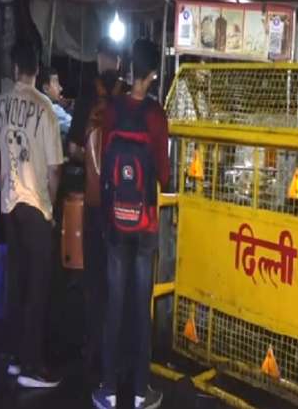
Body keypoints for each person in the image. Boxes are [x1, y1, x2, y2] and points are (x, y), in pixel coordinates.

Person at [0, 42, 64, 388]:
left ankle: (15, 358)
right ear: (37, 71)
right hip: (36, 205)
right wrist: (50, 206)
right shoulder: (45, 108)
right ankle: (32, 366)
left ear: (15, 69)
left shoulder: (2, 103)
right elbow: (55, 169)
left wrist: (2, 180)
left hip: (10, 205)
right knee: (38, 287)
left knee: (16, 281)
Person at [92, 39, 168, 409]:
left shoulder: (113, 108)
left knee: (114, 304)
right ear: (152, 74)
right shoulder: (156, 115)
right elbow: (165, 175)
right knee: (140, 307)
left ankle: (107, 389)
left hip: (115, 223)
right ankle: (140, 392)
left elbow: (105, 158)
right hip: (146, 224)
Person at [65, 36, 129, 378]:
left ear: (99, 58)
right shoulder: (130, 98)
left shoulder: (86, 97)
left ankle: (92, 348)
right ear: (118, 61)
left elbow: (73, 148)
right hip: (122, 208)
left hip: (93, 203)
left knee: (93, 280)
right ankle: (115, 351)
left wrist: (89, 160)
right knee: (118, 279)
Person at [37, 66, 72, 140]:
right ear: (46, 88)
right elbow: (74, 127)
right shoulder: (52, 109)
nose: (61, 88)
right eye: (56, 83)